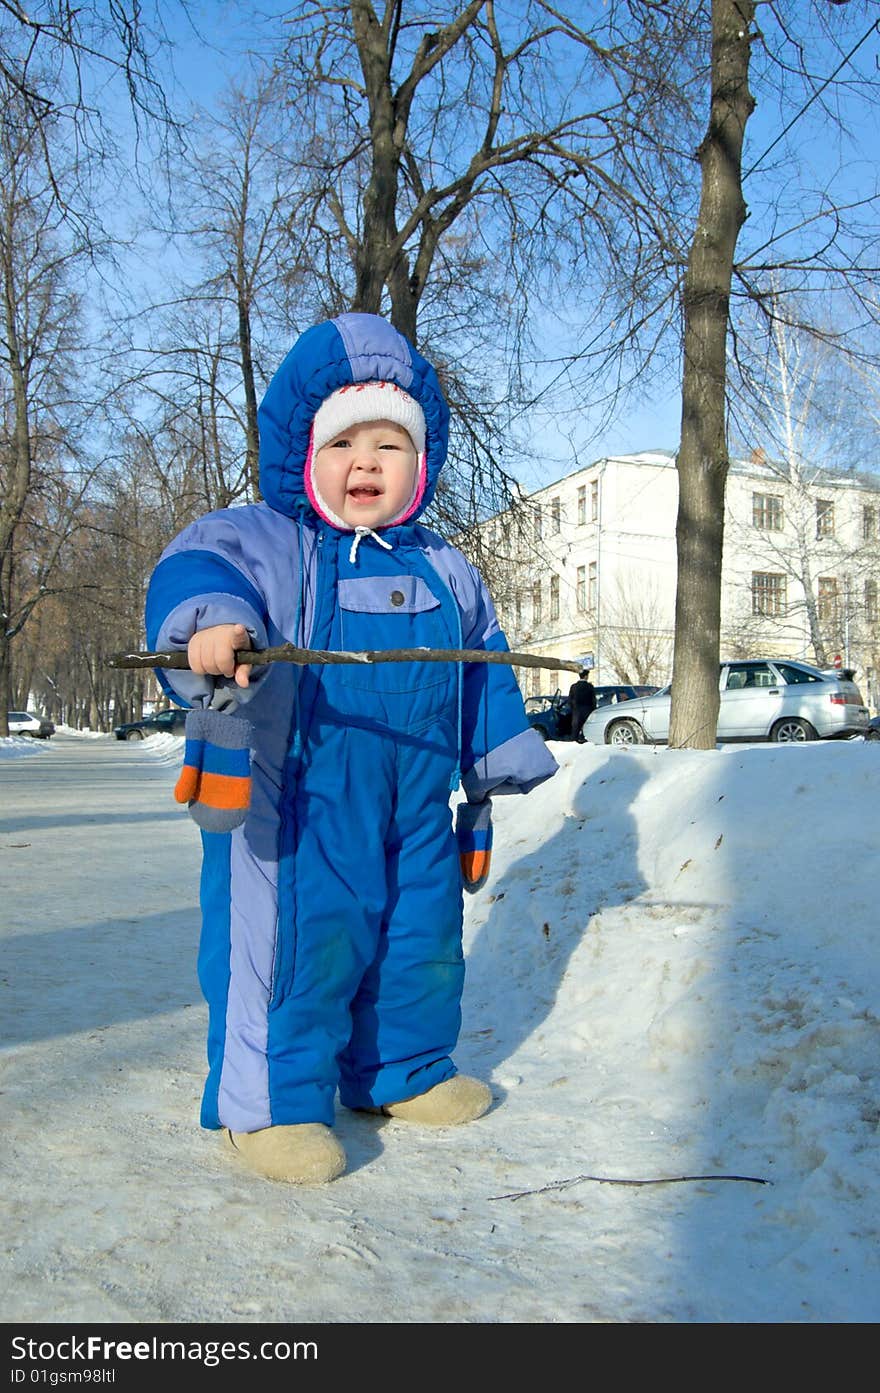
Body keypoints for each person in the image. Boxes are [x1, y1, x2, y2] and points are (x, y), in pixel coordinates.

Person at [145, 312, 559, 1186]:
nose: (366, 462)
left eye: (389, 444)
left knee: (419, 939)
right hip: (295, 802)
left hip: (415, 804)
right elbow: (193, 568)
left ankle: (398, 1070)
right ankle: (269, 1103)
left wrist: (493, 758)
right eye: (342, 442)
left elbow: (477, 661)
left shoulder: (449, 568)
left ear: (423, 461)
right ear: (302, 451)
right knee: (299, 943)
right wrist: (212, 620)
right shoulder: (266, 539)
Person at [568, 668, 597, 742]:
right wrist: (594, 709)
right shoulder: (590, 686)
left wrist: (573, 709)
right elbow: (593, 700)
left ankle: (573, 744)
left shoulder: (573, 686)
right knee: (587, 730)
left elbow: (570, 700)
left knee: (575, 731)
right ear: (586, 676)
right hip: (588, 711)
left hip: (576, 712)